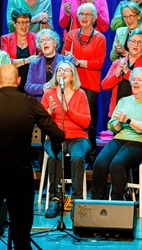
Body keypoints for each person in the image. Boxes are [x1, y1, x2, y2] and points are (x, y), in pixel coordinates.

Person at [0, 64, 64, 250]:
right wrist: (55, 148)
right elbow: (57, 134)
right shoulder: (30, 102)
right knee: (21, 236)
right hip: (20, 174)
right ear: (18, 81)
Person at [91, 68, 142, 202]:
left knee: (117, 164)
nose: (135, 82)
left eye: (140, 80)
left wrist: (128, 120)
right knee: (100, 163)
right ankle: (96, 203)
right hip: (121, 138)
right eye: (133, 79)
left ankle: (117, 204)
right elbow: (111, 125)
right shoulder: (124, 101)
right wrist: (117, 123)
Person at [40, 62, 91, 218]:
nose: (62, 73)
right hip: (55, 137)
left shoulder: (80, 94)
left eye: (66, 70)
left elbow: (86, 122)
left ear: (72, 75)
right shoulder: (48, 94)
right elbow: (40, 121)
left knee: (77, 158)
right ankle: (55, 198)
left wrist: (68, 110)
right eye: (59, 70)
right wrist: (48, 112)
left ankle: (76, 199)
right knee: (55, 157)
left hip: (78, 137)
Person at [61, 2, 107, 165]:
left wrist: (79, 62)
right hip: (72, 83)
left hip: (90, 84)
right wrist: (67, 57)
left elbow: (99, 63)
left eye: (88, 15)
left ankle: (91, 156)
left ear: (94, 18)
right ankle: (70, 156)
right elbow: (63, 57)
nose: (84, 17)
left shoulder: (100, 38)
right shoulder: (71, 35)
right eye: (81, 14)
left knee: (87, 122)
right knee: (69, 119)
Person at [102, 28, 142, 117]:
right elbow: (104, 85)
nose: (135, 44)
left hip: (138, 113)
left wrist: (127, 72)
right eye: (133, 41)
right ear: (128, 44)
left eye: (140, 42)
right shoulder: (117, 63)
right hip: (117, 112)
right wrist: (116, 76)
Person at [24, 28, 72, 100]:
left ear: (55, 43)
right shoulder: (34, 63)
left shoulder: (67, 61)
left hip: (62, 102)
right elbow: (27, 86)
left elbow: (73, 83)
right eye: (41, 41)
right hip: (41, 104)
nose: (44, 43)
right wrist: (43, 87)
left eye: (48, 39)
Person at [0, 7, 38, 92]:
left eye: (27, 22)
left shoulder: (36, 37)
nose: (24, 26)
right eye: (21, 22)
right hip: (12, 81)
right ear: (14, 23)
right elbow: (5, 62)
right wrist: (27, 60)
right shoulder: (5, 39)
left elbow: (40, 59)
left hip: (31, 82)